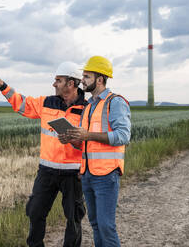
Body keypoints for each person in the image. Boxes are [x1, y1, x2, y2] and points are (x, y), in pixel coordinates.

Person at [0, 62, 87, 247]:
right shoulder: (46, 102)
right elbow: (21, 103)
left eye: (58, 80)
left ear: (71, 84)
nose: (54, 84)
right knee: (35, 212)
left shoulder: (87, 110)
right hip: (46, 171)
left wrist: (74, 141)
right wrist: (2, 86)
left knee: (74, 218)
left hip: (74, 173)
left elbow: (90, 144)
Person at [60, 55, 131, 247]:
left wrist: (88, 135)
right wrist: (73, 140)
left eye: (86, 76)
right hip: (88, 175)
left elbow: (123, 136)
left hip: (106, 175)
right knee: (96, 225)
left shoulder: (115, 103)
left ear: (100, 79)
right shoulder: (89, 106)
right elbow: (86, 142)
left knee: (107, 227)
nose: (82, 80)